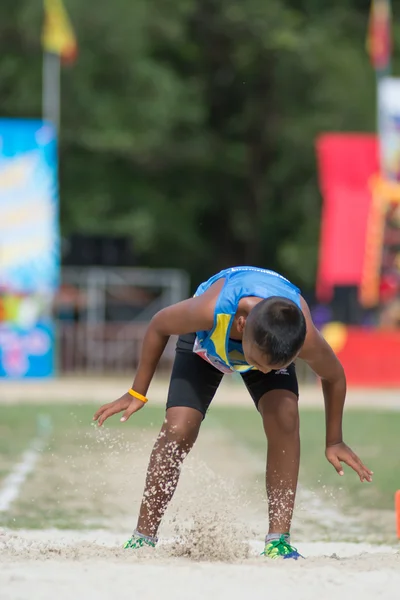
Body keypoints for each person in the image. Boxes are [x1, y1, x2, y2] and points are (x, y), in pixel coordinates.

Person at [93, 266, 372, 559]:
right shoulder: (211, 310)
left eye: (272, 368)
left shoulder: (301, 337)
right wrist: (137, 391)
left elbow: (335, 376)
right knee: (179, 427)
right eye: (259, 363)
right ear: (241, 324)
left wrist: (334, 440)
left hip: (267, 343)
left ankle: (278, 540)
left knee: (285, 418)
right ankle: (143, 537)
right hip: (206, 345)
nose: (263, 372)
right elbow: (159, 324)